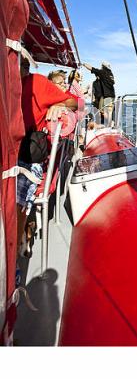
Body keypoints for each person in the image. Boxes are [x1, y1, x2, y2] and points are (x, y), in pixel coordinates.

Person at [16, 59, 77, 267]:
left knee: (14, 201)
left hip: (26, 157)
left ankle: (14, 253)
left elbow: (74, 103)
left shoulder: (37, 83)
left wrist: (58, 104)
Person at [83, 61, 115, 125]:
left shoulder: (103, 72)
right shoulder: (110, 73)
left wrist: (84, 64)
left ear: (103, 67)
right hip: (111, 95)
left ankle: (110, 125)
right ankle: (110, 124)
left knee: (107, 112)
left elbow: (92, 68)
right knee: (108, 111)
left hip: (107, 96)